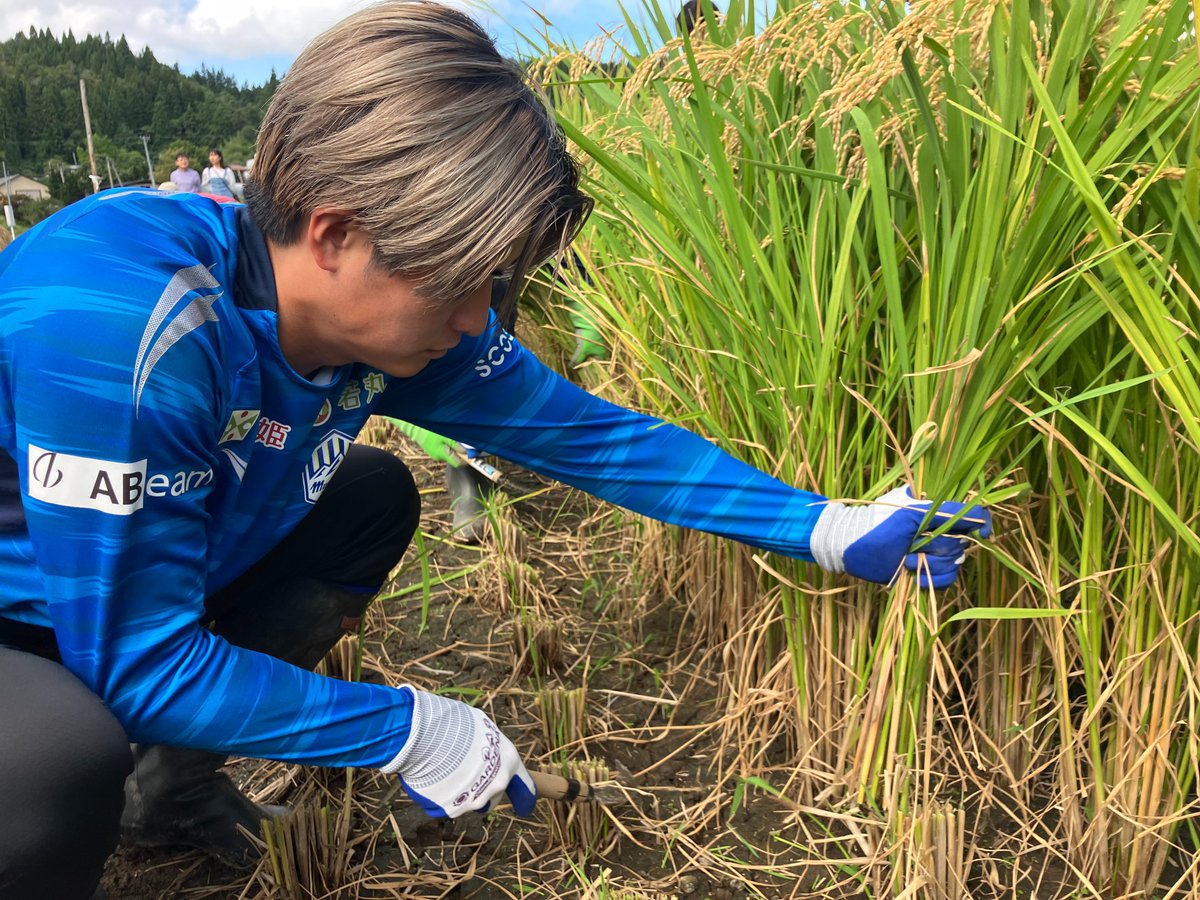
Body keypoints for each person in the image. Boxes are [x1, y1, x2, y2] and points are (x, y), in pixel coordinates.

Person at [0, 3, 991, 898]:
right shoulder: (125, 320)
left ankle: (170, 796)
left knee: (373, 496)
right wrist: (409, 728)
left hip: (148, 570)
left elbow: (596, 438)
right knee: (59, 764)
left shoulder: (390, 320)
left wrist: (824, 526)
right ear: (338, 233)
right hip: (31, 619)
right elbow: (142, 661)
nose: (481, 319)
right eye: (466, 281)